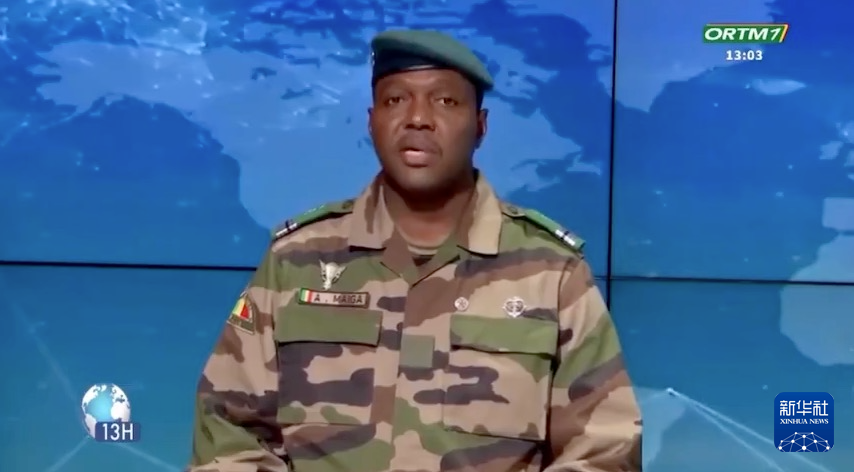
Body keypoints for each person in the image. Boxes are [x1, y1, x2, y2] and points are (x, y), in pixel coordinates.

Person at [188, 29, 642, 472]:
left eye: (444, 101)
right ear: (371, 122)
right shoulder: (297, 260)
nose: (418, 118)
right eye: (395, 100)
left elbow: (604, 449)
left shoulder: (551, 271)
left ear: (481, 126)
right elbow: (230, 434)